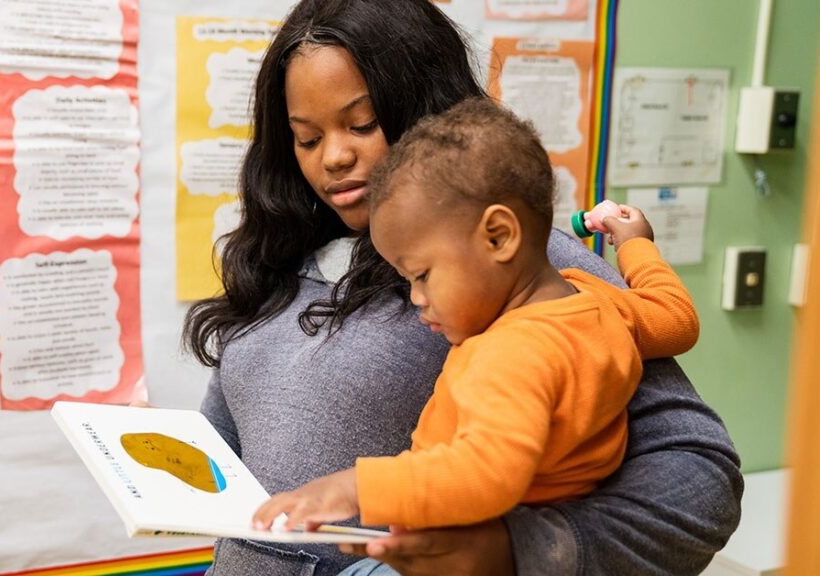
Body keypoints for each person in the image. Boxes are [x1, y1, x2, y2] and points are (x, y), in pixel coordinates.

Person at [182, 0, 742, 574]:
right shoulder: (277, 261)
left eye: (363, 124)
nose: (334, 156)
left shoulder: (513, 267)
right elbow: (237, 458)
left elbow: (699, 476)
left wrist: (518, 550)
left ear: (423, 112)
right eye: (305, 138)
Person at [251, 98, 701, 571]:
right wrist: (637, 246)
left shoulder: (513, 353)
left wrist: (355, 487)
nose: (417, 297)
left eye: (421, 274)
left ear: (499, 236)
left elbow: (486, 473)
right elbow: (676, 316)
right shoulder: (599, 305)